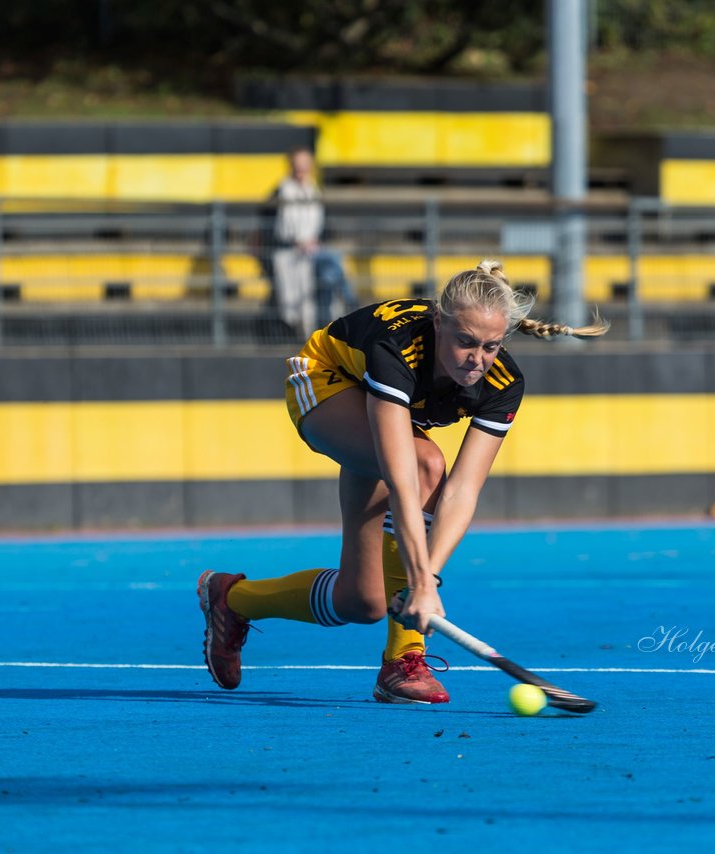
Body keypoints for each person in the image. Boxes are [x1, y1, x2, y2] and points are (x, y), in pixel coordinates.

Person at [198, 260, 608, 703]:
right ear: (438, 324)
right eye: (465, 342)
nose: (476, 360)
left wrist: (428, 576)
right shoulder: (398, 347)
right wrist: (420, 584)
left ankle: (232, 599)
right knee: (424, 463)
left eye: (490, 346)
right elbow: (402, 476)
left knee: (363, 602)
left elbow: (463, 491)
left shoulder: (503, 381)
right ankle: (403, 661)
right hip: (324, 384)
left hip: (386, 423)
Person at [270, 147, 355, 338]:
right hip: (291, 251)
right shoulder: (282, 190)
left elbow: (319, 224)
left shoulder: (312, 189)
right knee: (328, 272)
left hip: (312, 249)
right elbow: (276, 226)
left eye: (305, 164)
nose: (302, 169)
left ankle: (339, 316)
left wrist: (312, 240)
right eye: (298, 164)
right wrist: (298, 241)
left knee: (331, 269)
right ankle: (350, 303)